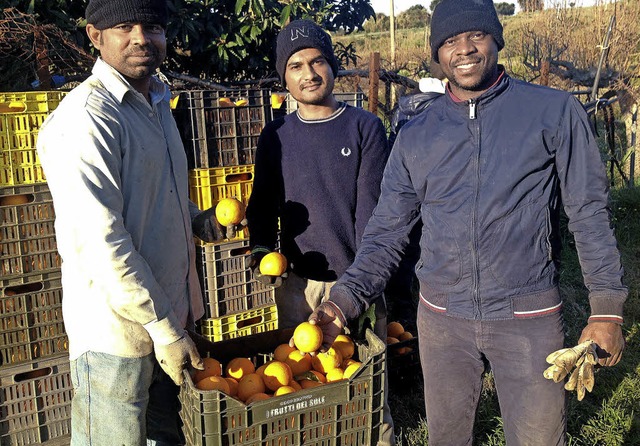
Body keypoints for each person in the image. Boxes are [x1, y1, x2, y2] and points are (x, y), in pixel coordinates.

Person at [309, 0, 627, 445]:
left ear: (496, 39)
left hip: (527, 316)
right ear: (437, 53)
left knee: (538, 438)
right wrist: (344, 300)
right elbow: (386, 232)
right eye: (451, 41)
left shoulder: (552, 113)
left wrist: (606, 309)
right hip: (442, 321)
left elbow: (589, 213)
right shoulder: (417, 134)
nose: (465, 49)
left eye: (476, 35)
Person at [36, 0, 224, 444]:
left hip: (172, 323)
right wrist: (163, 329)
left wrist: (196, 221)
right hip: (117, 339)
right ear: (94, 36)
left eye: (153, 26)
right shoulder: (85, 119)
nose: (142, 38)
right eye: (125, 26)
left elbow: (151, 198)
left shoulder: (156, 101)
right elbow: (102, 241)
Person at [245, 19, 395, 445]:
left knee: (366, 383)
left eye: (317, 61)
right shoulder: (276, 136)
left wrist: (360, 286)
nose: (308, 73)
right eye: (295, 66)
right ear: (284, 77)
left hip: (358, 281)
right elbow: (262, 204)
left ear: (331, 67)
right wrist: (261, 253)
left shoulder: (364, 127)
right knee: (303, 384)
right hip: (299, 285)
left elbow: (375, 215)